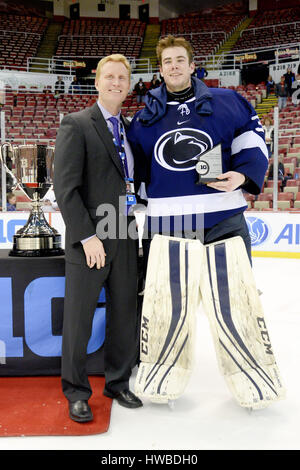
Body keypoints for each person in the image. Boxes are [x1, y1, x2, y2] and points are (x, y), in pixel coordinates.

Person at [128, 35, 268, 272]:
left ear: (192, 66)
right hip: (166, 226)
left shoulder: (229, 101)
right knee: (170, 307)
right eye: (168, 61)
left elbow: (252, 139)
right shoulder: (143, 120)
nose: (175, 66)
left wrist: (243, 176)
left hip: (223, 221)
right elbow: (135, 169)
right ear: (160, 70)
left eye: (180, 60)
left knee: (231, 306)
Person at [53, 54, 142, 424]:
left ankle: (118, 382)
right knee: (79, 319)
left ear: (129, 84)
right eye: (109, 76)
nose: (116, 82)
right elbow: (65, 188)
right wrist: (87, 236)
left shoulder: (128, 129)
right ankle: (76, 391)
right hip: (92, 236)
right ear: (97, 82)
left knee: (124, 314)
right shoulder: (77, 124)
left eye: (122, 77)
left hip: (124, 230)